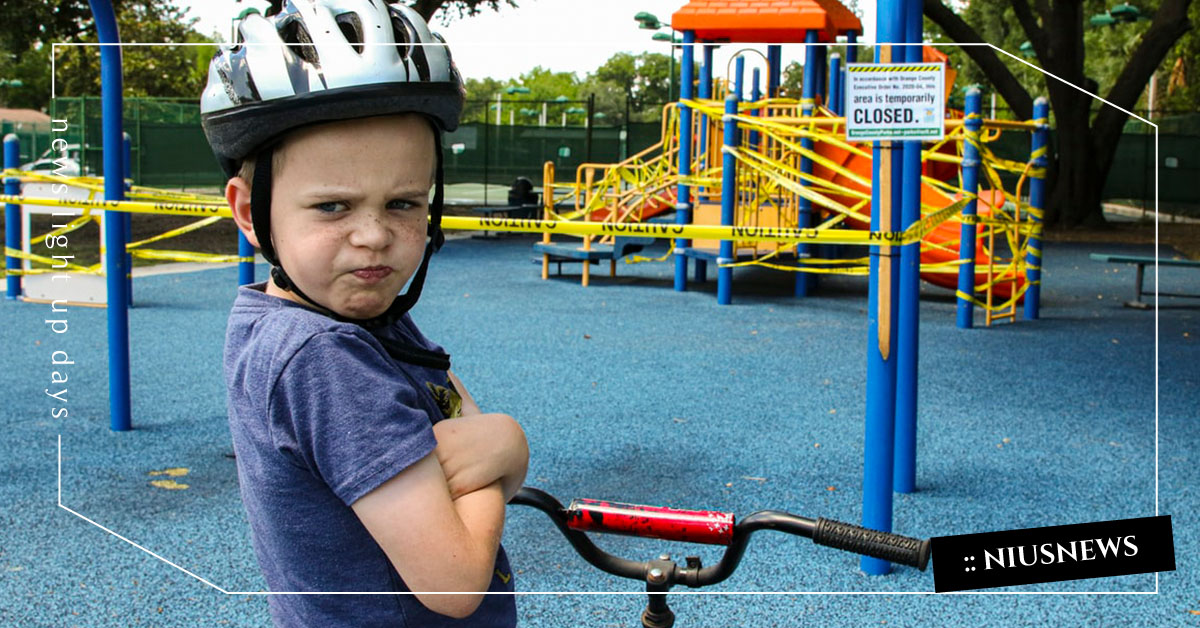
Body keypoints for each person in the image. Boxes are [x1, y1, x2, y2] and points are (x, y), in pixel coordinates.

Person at [200, 2, 528, 626]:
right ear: (249, 212)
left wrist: (489, 452)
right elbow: (455, 582)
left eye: (403, 203)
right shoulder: (324, 356)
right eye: (332, 207)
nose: (374, 237)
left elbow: (462, 432)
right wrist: (508, 446)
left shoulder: (360, 315)